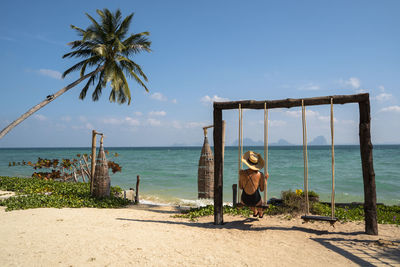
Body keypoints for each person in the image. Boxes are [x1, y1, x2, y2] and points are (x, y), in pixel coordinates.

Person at [239, 151, 269, 218]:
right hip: (255, 199)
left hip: (244, 199)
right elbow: (262, 189)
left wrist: (240, 176)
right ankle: (260, 213)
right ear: (257, 164)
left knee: (249, 199)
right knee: (260, 202)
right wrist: (266, 180)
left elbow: (240, 187)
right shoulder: (260, 175)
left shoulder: (242, 173)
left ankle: (255, 212)